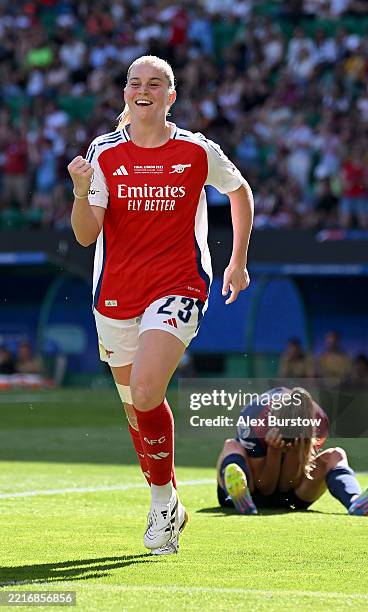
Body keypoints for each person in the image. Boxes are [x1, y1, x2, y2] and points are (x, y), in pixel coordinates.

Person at [67, 55, 253, 555]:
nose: (142, 90)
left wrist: (236, 261)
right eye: (135, 83)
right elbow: (86, 235)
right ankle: (166, 500)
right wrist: (82, 192)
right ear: (125, 93)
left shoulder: (196, 151)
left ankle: (160, 510)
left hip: (179, 285)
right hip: (115, 294)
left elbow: (240, 192)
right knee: (136, 409)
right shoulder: (104, 153)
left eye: (154, 84)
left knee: (147, 390)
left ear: (171, 97)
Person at [216, 387, 368, 516]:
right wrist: (274, 451)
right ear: (274, 418)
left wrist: (295, 448)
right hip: (255, 489)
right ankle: (241, 495)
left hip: (294, 496)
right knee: (232, 446)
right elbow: (265, 487)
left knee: (336, 455)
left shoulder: (319, 423)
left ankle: (356, 501)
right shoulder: (253, 418)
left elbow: (288, 485)